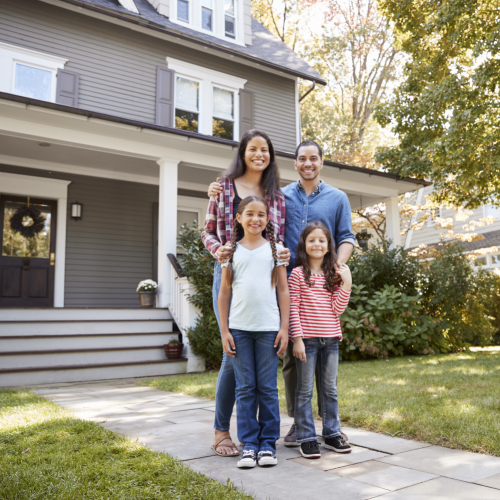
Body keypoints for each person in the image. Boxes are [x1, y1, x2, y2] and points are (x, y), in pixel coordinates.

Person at [208, 140, 355, 446]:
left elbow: (343, 237)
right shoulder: (246, 190)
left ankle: (312, 426)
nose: (308, 163)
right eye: (302, 158)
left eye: (314, 158)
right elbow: (215, 228)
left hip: (297, 283)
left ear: (322, 161)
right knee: (244, 353)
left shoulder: (302, 196)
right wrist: (220, 249)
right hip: (251, 275)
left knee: (292, 351)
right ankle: (230, 430)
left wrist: (335, 270)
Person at [202, 129, 290, 457]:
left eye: (264, 150)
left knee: (261, 374)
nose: (258, 155)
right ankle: (221, 432)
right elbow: (207, 232)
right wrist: (220, 251)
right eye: (252, 149)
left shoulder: (276, 195)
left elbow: (279, 239)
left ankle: (260, 438)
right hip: (229, 271)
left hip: (266, 276)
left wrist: (283, 255)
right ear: (243, 152)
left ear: (270, 156)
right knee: (231, 352)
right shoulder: (223, 186)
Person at [218, 196, 290, 468]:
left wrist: (284, 327)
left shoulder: (276, 251)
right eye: (249, 213)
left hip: (268, 330)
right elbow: (224, 292)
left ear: (268, 219)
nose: (255, 219)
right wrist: (225, 330)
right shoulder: (230, 252)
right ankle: (248, 444)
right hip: (239, 330)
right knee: (246, 388)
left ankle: (268, 444)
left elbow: (283, 290)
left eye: (261, 214)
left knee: (268, 388)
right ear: (238, 218)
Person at [289, 221, 352, 458]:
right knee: (304, 390)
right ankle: (306, 437)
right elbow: (293, 308)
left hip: (331, 340)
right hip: (308, 341)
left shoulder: (333, 275)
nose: (317, 243)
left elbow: (337, 309)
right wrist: (297, 339)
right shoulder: (297, 274)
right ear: (304, 245)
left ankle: (332, 434)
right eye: (311, 239)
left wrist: (347, 283)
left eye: (321, 240)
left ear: (328, 247)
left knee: (330, 390)